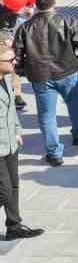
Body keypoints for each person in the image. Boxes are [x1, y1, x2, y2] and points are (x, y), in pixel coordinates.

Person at [14, 0, 78, 166]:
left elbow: (17, 57)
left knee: (46, 114)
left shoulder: (25, 27)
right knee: (74, 103)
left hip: (40, 76)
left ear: (35, 5)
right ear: (54, 3)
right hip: (67, 71)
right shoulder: (68, 21)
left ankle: (54, 152)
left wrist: (23, 72)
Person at [0, 38, 40, 240]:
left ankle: (14, 225)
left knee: (14, 185)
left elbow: (11, 112)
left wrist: (17, 129)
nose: (14, 62)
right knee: (4, 191)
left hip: (10, 142)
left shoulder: (6, 79)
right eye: (9, 60)